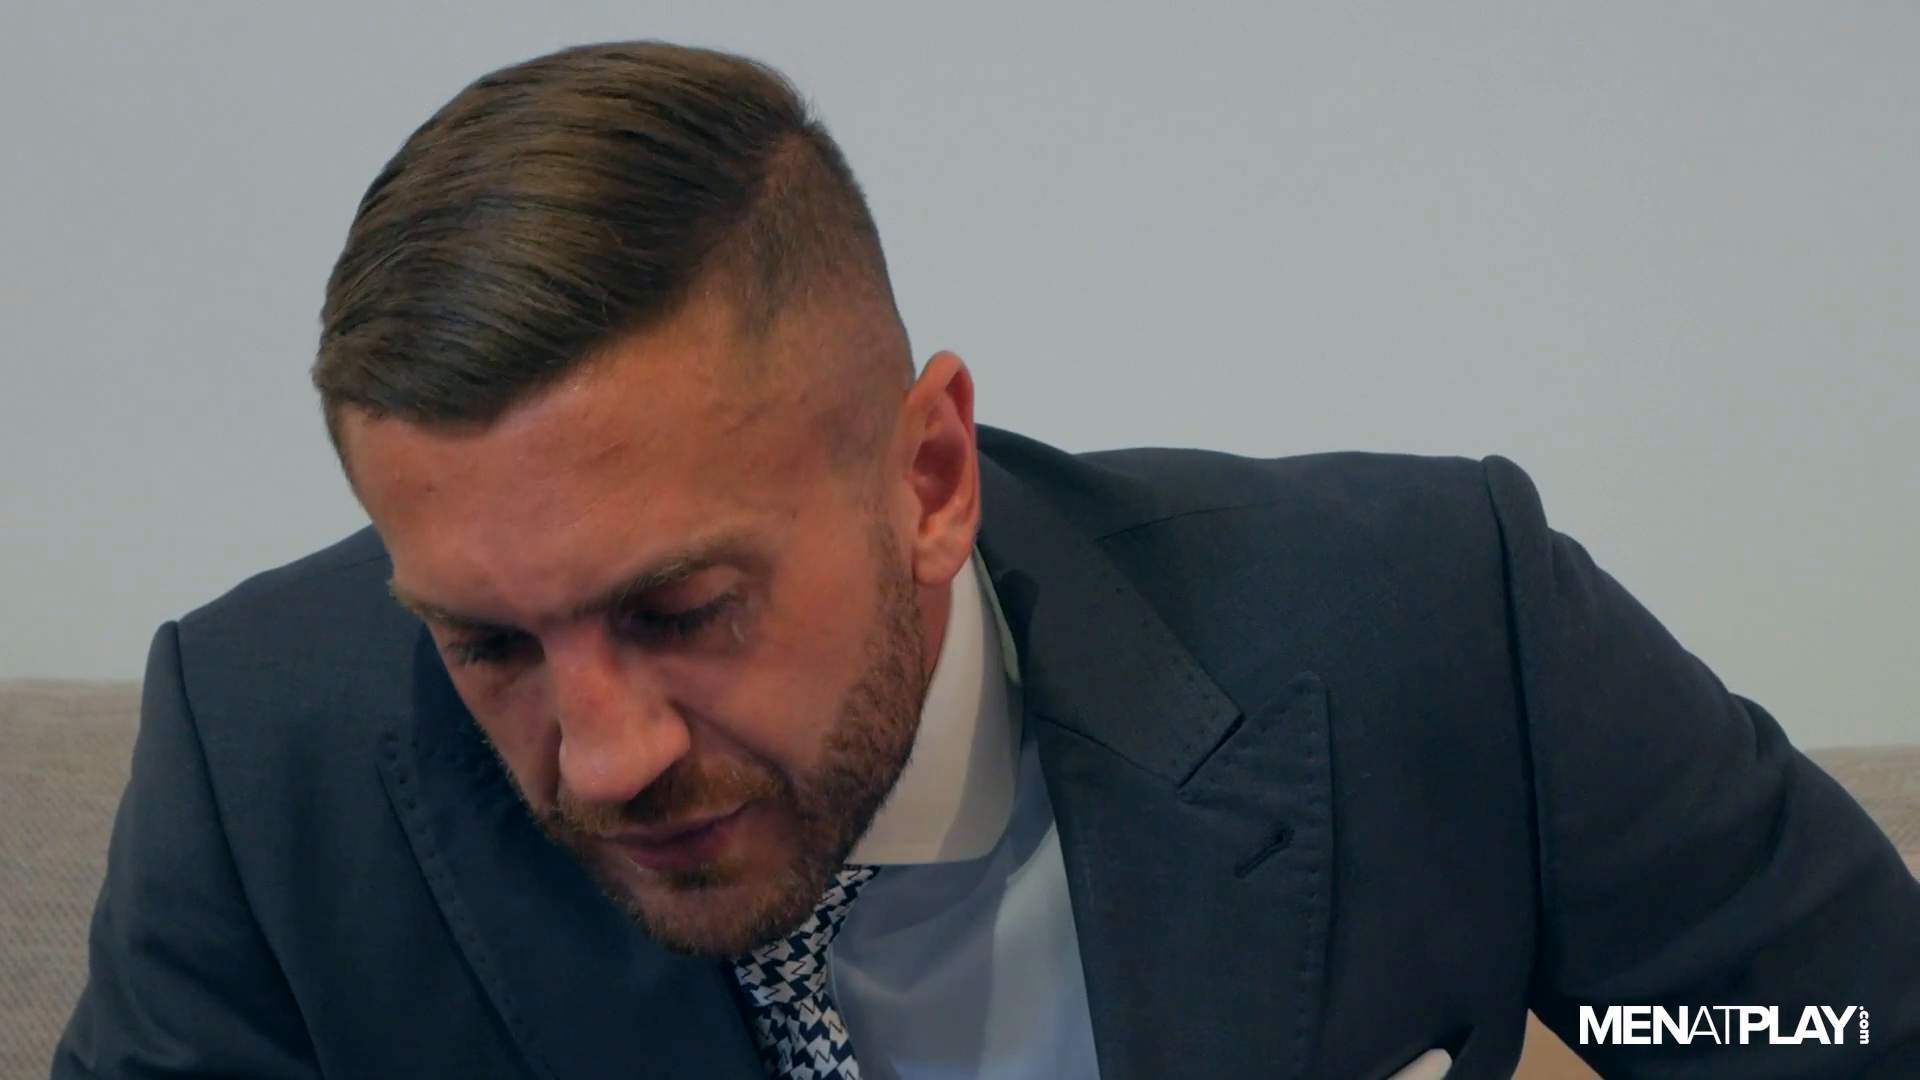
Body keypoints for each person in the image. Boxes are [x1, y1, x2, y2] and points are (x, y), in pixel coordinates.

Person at [54, 40, 1917, 1080]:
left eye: (684, 611)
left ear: (930, 476)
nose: (604, 753)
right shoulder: (264, 756)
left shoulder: (1435, 617)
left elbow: (1834, 1025)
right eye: (489, 645)